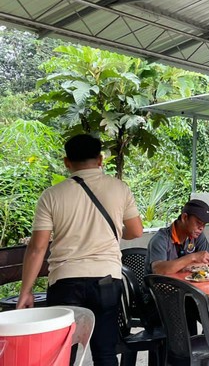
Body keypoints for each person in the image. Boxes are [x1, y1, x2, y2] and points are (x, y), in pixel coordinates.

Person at [17, 134, 143, 366]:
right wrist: (114, 232)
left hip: (65, 282)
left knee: (64, 353)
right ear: (100, 159)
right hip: (107, 280)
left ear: (67, 162)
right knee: (105, 353)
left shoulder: (51, 195)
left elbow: (37, 247)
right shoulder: (120, 189)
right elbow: (135, 231)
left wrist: (26, 291)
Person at [145, 198, 209, 333]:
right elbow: (159, 270)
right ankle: (192, 346)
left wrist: (190, 265)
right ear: (184, 218)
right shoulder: (161, 239)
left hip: (185, 294)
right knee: (187, 322)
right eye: (198, 223)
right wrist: (192, 257)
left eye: (204, 224)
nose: (201, 228)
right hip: (158, 299)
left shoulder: (196, 236)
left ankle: (208, 346)